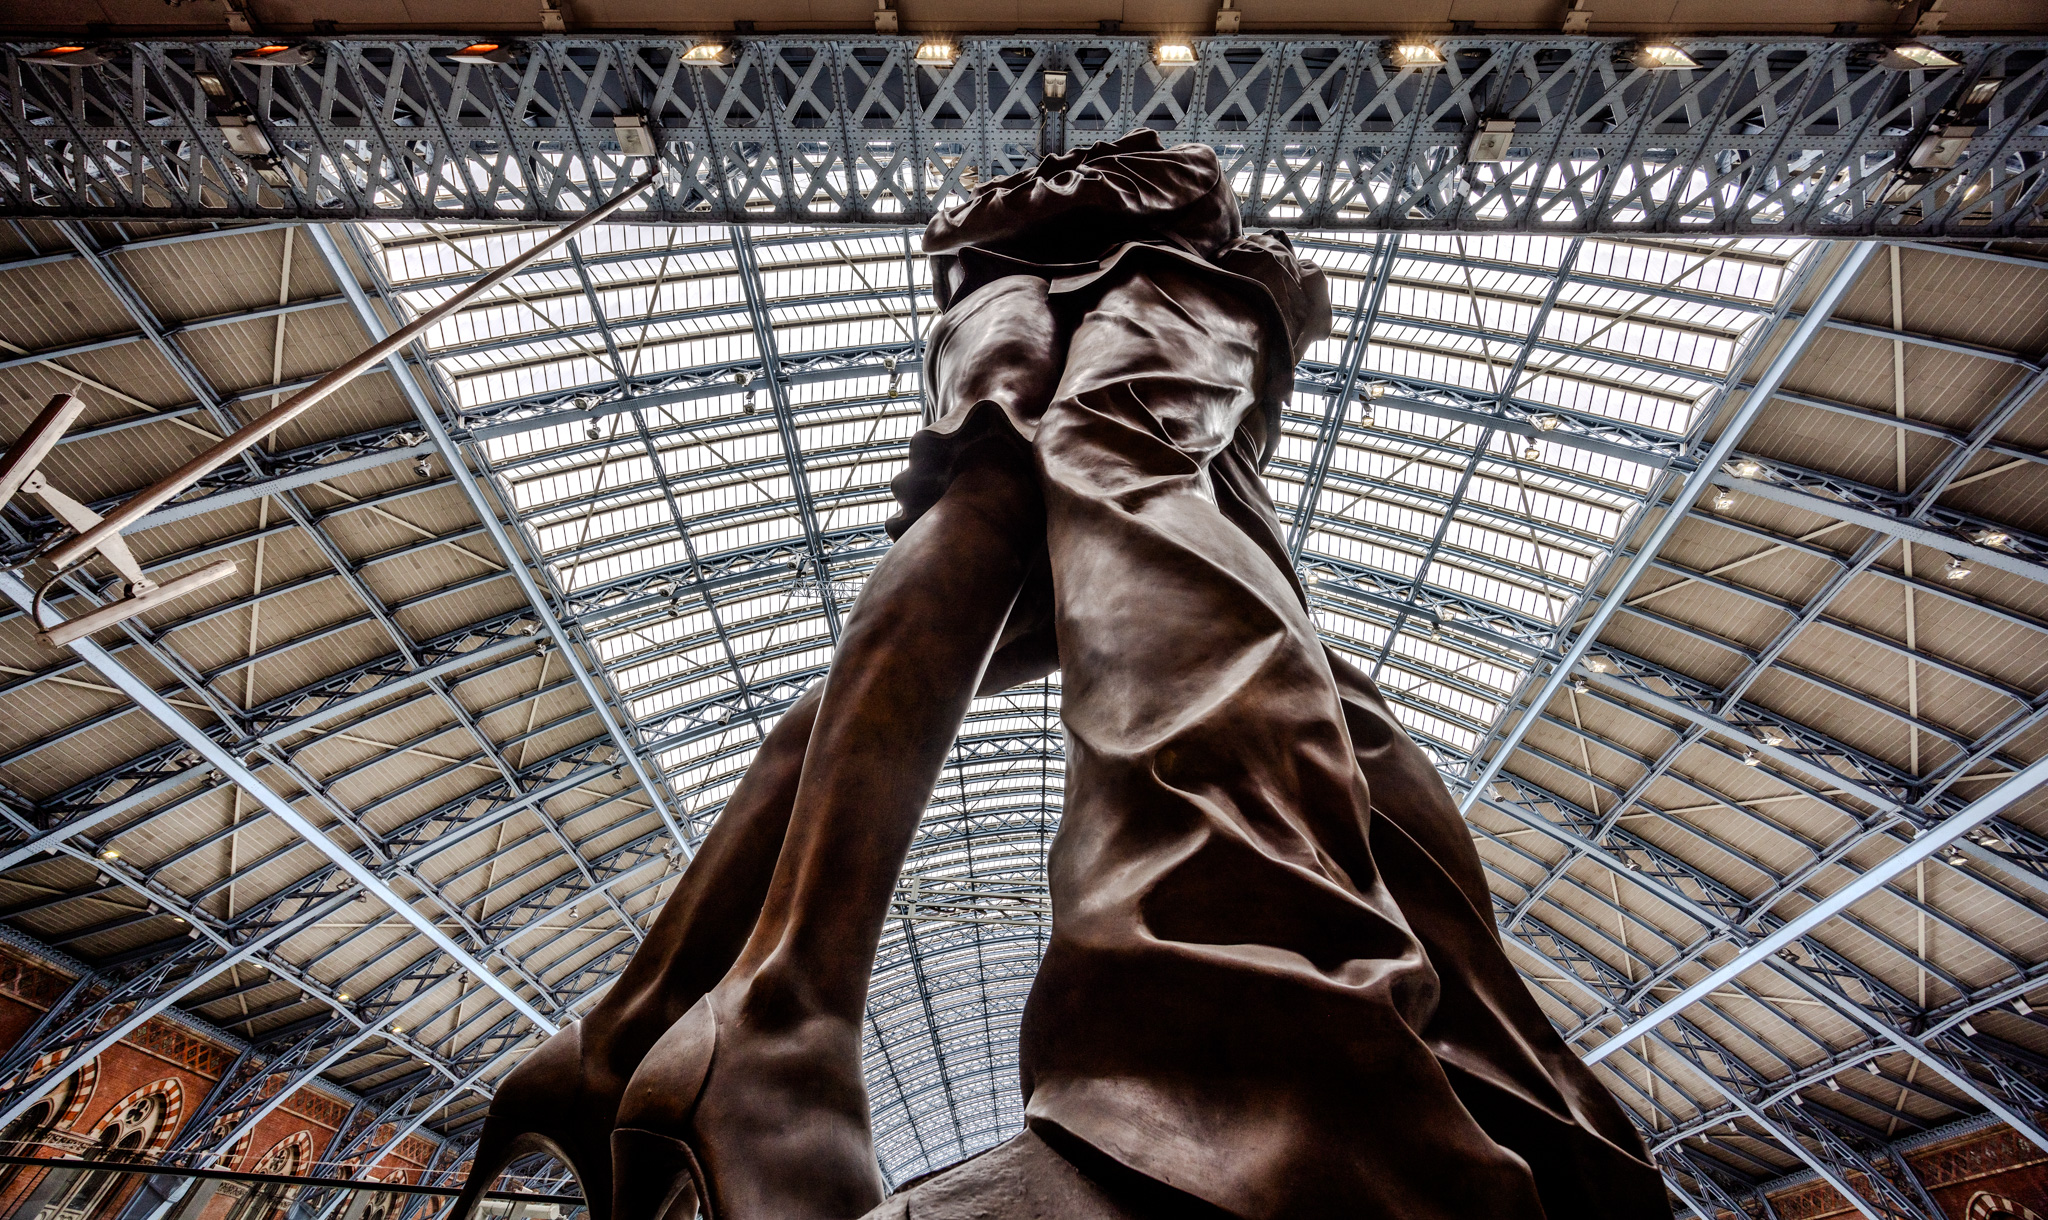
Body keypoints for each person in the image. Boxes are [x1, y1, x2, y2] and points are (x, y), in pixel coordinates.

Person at [580, 129, 1664, 1220]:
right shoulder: (1151, 250)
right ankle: (1281, 1059)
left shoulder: (1082, 243)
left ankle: (700, 1014)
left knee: (1080, 515)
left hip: (1096, 320)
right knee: (1145, 520)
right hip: (1146, 319)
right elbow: (1174, 201)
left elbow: (1116, 206)